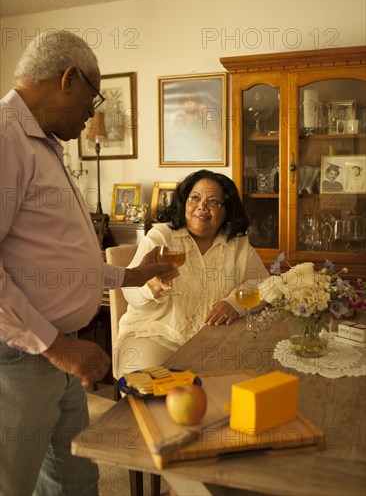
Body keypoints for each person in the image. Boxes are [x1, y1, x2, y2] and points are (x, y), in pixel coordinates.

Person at [0, 30, 177, 496]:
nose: (91, 113)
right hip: (23, 359)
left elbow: (57, 254)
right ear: (68, 78)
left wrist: (133, 275)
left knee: (74, 480)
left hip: (59, 355)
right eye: (92, 98)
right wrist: (59, 348)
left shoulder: (44, 144)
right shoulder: (5, 137)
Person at [115, 169, 269, 378]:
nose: (201, 207)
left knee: (242, 386)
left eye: (213, 202)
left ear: (227, 210)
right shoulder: (161, 236)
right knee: (151, 392)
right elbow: (130, 291)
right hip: (156, 334)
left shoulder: (238, 243)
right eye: (194, 198)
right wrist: (150, 287)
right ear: (184, 203)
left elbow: (263, 284)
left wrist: (235, 303)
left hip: (214, 339)